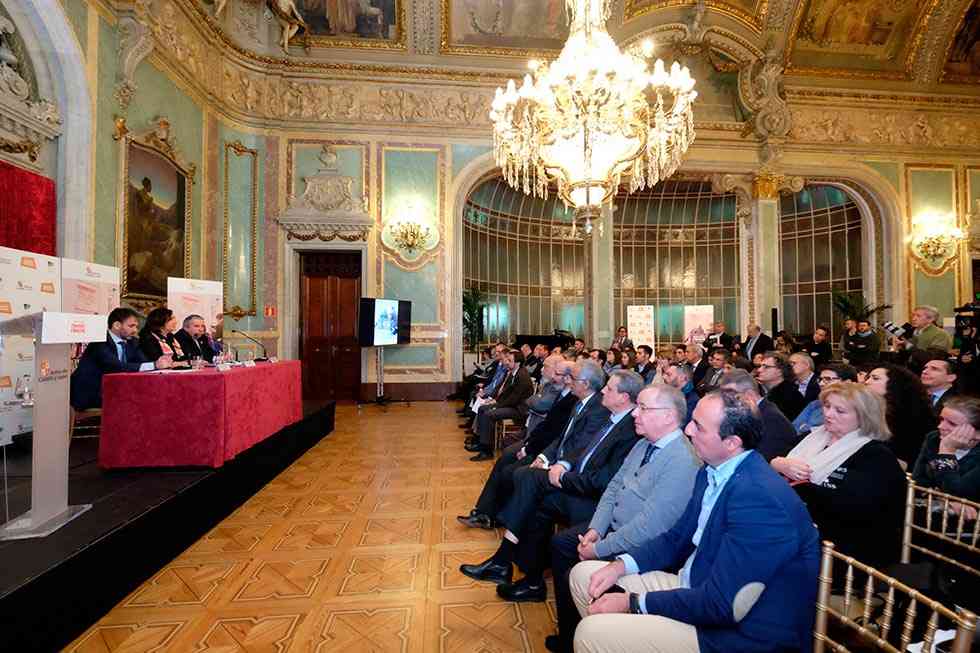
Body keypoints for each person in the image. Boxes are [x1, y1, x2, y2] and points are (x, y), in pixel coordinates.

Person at [568, 390, 820, 653]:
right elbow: (675, 539)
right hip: (698, 588)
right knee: (584, 576)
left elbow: (724, 606)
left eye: (698, 426)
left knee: (591, 634)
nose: (687, 430)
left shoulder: (760, 500)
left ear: (731, 442)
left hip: (738, 634)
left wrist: (633, 603)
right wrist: (620, 565)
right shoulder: (711, 471)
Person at [543, 385, 702, 653]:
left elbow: (649, 527)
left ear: (668, 416)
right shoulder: (644, 443)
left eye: (643, 408)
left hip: (643, 546)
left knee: (575, 570)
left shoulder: (683, 460)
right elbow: (613, 488)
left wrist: (598, 549)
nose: (634, 414)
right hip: (613, 528)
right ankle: (569, 635)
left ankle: (592, 636)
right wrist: (595, 529)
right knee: (562, 544)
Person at [460, 368, 638, 587]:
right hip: (576, 478)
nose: (603, 391)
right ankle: (524, 574)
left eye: (609, 389)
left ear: (623, 397)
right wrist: (561, 464)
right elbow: (578, 447)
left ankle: (506, 562)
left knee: (528, 479)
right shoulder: (612, 417)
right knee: (533, 495)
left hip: (592, 498)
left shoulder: (627, 429)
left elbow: (603, 481)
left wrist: (562, 476)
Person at [772, 382, 906, 570]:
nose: (828, 414)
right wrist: (777, 463)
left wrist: (799, 485)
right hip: (798, 525)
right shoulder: (813, 437)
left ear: (864, 417)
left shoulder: (875, 455)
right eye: (827, 406)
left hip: (843, 546)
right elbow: (770, 462)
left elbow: (854, 509)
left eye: (840, 411)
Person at [458, 360, 579, 530]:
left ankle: (495, 515)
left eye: (556, 373)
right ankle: (484, 511)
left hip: (545, 450)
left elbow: (550, 426)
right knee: (505, 457)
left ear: (569, 378)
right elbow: (543, 421)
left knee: (510, 471)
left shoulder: (570, 398)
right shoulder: (559, 391)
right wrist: (528, 444)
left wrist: (529, 448)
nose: (552, 376)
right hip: (536, 440)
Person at [70, 307, 174, 410]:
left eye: (136, 327)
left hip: (115, 390)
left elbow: (143, 363)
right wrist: (154, 365)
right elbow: (116, 367)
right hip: (91, 393)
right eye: (131, 326)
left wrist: (160, 364)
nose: (135, 330)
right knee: (141, 402)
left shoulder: (133, 342)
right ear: (117, 325)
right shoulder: (100, 342)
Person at [864, 363, 937, 468]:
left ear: (894, 383)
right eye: (868, 377)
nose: (867, 382)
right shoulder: (868, 410)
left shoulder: (914, 418)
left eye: (875, 378)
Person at [468, 349, 534, 461]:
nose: (506, 362)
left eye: (510, 360)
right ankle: (481, 442)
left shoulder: (522, 376)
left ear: (517, 362)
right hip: (510, 405)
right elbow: (504, 392)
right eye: (507, 359)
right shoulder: (513, 373)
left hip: (518, 409)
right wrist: (494, 401)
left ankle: (487, 451)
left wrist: (497, 405)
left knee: (489, 414)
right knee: (482, 409)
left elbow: (514, 399)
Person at [719, 369, 800, 460]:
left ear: (749, 395)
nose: (726, 403)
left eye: (732, 397)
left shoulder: (772, 419)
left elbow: (760, 459)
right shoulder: (755, 413)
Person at [912, 396, 980, 503]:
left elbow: (957, 493)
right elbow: (918, 484)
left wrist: (946, 452)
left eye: (952, 424)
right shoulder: (933, 438)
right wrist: (943, 498)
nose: (940, 426)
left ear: (977, 434)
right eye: (941, 419)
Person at [793, 363, 858, 435]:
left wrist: (804, 428)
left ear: (847, 382)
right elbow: (793, 430)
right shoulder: (815, 404)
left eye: (828, 379)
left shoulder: (857, 409)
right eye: (820, 379)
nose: (821, 384)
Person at [756, 351, 807, 421]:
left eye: (766, 367)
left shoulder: (790, 396)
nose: (759, 370)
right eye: (760, 366)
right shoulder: (764, 391)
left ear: (780, 371)